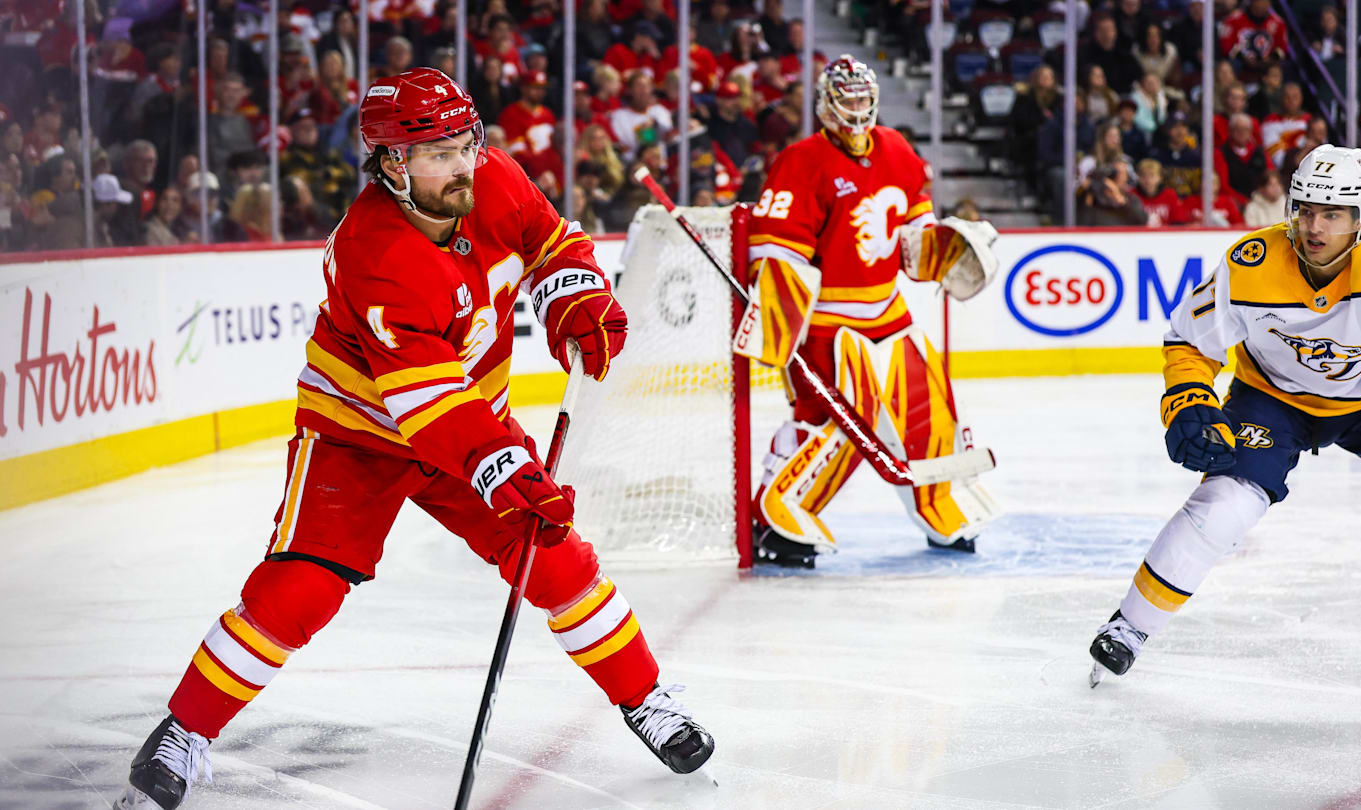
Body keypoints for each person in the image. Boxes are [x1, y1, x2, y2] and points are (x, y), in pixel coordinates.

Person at [113, 67, 714, 810]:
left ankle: (647, 698)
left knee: (554, 560)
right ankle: (185, 730)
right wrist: (503, 468)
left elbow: (552, 241)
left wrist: (576, 297)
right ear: (393, 165)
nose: (464, 163)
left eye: (467, 142)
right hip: (360, 437)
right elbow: (427, 406)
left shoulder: (493, 175)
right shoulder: (378, 252)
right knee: (300, 589)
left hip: (468, 419)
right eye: (440, 152)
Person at [1089, 145, 1361, 687]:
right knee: (1223, 504)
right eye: (1304, 209)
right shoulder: (1250, 262)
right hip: (1273, 398)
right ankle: (1130, 627)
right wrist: (1188, 402)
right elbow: (1189, 341)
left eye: (1333, 214)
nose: (1314, 226)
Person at [743, 56, 1001, 568]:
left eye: (863, 98)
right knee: (836, 423)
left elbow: (913, 222)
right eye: (847, 98)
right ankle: (780, 517)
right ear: (826, 102)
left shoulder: (897, 149)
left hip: (889, 311)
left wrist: (936, 247)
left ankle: (939, 504)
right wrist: (778, 327)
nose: (857, 108)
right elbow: (776, 251)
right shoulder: (801, 160)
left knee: (930, 408)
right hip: (826, 323)